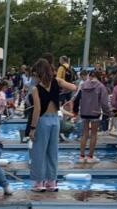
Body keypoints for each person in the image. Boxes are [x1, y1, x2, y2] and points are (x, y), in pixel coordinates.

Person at [27, 58, 77, 191]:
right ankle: (51, 182)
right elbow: (74, 87)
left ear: (38, 73)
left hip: (43, 120)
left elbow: (37, 110)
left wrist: (32, 129)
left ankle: (39, 183)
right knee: (52, 152)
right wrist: (68, 98)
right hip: (55, 120)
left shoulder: (36, 89)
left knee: (39, 152)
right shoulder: (58, 82)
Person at [75, 69, 111, 163]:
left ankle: (81, 157)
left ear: (89, 76)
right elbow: (104, 103)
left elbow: (77, 98)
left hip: (84, 112)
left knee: (85, 134)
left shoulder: (83, 85)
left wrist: (75, 111)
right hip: (95, 112)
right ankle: (90, 157)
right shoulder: (101, 86)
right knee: (94, 134)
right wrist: (108, 112)